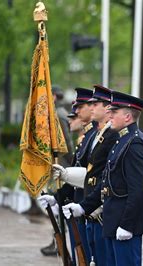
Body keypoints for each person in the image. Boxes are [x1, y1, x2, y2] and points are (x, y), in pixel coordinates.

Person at [62, 90, 143, 265]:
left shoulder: (135, 144)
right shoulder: (122, 140)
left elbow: (139, 190)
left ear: (127, 117)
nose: (109, 114)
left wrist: (127, 224)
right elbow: (106, 181)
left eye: (114, 111)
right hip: (113, 220)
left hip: (124, 223)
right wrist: (83, 207)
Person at [53, 85, 118, 265]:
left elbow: (100, 174)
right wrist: (58, 197)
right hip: (85, 202)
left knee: (95, 258)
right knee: (85, 256)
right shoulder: (93, 135)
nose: (77, 112)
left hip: (93, 205)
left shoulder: (102, 135)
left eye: (95, 104)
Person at [38, 88, 96, 262]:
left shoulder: (94, 138)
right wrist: (58, 197)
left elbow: (91, 176)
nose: (74, 115)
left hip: (88, 205)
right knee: (82, 255)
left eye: (78, 110)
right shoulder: (85, 140)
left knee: (90, 256)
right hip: (78, 199)